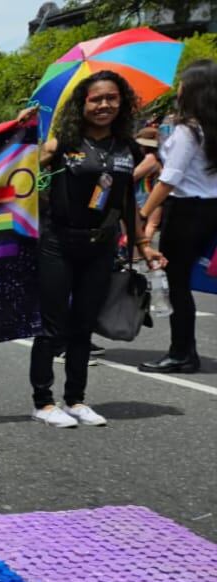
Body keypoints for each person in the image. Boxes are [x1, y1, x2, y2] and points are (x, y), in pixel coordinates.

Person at [28, 71, 164, 428]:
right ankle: (43, 402)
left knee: (84, 325)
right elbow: (15, 175)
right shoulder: (61, 143)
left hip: (101, 247)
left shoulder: (127, 149)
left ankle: (75, 399)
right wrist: (19, 138)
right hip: (57, 242)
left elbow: (124, 201)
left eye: (112, 98)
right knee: (52, 327)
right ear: (82, 104)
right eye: (96, 99)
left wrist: (143, 244)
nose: (104, 105)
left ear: (122, 104)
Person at [138, 60, 217, 374]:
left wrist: (143, 215)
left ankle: (181, 353)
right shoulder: (209, 129)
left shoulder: (189, 130)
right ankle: (185, 351)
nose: (178, 88)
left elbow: (169, 179)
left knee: (178, 284)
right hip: (210, 209)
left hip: (186, 211)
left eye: (183, 83)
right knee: (186, 282)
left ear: (195, 89)